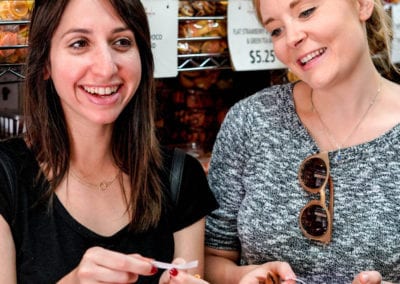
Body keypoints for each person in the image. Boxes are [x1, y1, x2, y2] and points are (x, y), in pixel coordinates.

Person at [0, 0, 218, 283]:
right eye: (79, 43)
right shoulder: (6, 177)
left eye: (122, 42)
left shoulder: (181, 177)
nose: (106, 68)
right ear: (45, 64)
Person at [204, 0, 400, 283]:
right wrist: (242, 277)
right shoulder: (251, 120)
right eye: (276, 30)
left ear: (362, 4)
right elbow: (213, 257)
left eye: (306, 12)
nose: (291, 38)